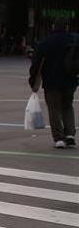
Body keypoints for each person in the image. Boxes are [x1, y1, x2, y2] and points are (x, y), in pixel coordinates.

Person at [30, 20, 78, 149]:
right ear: (67, 27)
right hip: (71, 80)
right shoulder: (73, 40)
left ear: (52, 28)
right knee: (67, 106)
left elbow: (36, 64)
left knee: (54, 109)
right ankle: (70, 135)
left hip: (51, 82)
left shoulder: (45, 43)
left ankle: (59, 138)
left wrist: (33, 81)